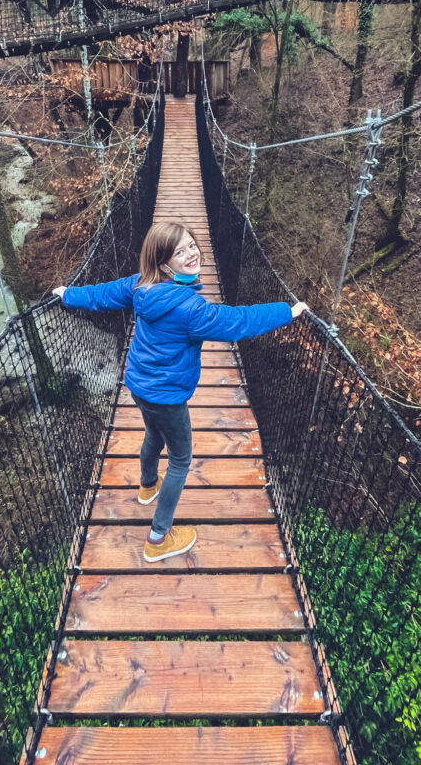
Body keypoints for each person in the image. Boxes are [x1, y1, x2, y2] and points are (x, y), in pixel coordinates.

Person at [53, 220, 309, 563]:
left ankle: (146, 487)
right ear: (164, 265)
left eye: (191, 245)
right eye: (180, 252)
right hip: (168, 395)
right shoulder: (191, 310)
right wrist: (286, 312)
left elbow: (103, 294)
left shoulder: (141, 285)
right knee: (180, 460)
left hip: (140, 385)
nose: (191, 254)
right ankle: (158, 538)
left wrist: (68, 295)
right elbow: (237, 321)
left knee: (153, 436)